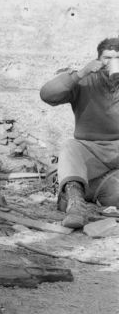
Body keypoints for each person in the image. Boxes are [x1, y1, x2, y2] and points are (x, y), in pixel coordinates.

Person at [39, 37, 119, 229]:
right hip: (91, 151)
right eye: (107, 57)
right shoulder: (85, 81)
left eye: (118, 58)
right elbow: (47, 95)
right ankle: (75, 205)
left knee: (114, 194)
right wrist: (79, 73)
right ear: (98, 59)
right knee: (70, 146)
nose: (113, 62)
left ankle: (88, 190)